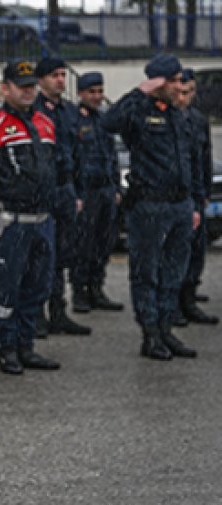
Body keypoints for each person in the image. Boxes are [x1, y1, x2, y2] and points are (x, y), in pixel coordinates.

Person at [103, 54, 203, 360]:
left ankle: (166, 329)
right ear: (157, 82)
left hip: (180, 206)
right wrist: (139, 92)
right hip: (149, 205)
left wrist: (195, 203)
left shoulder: (179, 114)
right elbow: (109, 122)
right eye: (172, 81)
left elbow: (190, 161)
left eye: (179, 81)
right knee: (147, 272)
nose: (178, 87)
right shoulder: (138, 111)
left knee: (174, 272)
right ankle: (150, 334)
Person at [0, 59, 63, 374]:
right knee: (9, 286)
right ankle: (5, 346)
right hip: (11, 222)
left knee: (39, 286)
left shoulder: (46, 123)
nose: (27, 91)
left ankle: (26, 345)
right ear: (5, 88)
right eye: (21, 86)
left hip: (43, 220)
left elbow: (55, 170)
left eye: (31, 86)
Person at [34, 57, 91, 337]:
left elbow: (78, 155)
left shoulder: (70, 112)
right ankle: (37, 313)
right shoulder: (32, 110)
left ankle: (58, 311)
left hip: (66, 189)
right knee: (41, 255)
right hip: (43, 190)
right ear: (41, 79)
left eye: (62, 75)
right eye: (54, 75)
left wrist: (78, 192)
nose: (60, 80)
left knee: (63, 254)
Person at [71, 72, 125, 315]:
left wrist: (116, 187)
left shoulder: (104, 120)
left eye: (100, 92)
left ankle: (97, 288)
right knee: (84, 243)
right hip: (87, 191)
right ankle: (80, 291)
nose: (97, 97)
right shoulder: (73, 119)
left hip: (106, 190)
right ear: (81, 94)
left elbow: (112, 156)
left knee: (105, 241)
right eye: (91, 92)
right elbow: (72, 159)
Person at [176, 69, 219, 326]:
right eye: (181, 92)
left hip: (195, 194)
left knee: (197, 250)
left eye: (190, 92)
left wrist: (203, 192)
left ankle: (189, 299)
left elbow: (204, 159)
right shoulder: (166, 119)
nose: (185, 98)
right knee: (176, 253)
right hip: (175, 196)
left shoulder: (198, 120)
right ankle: (173, 304)